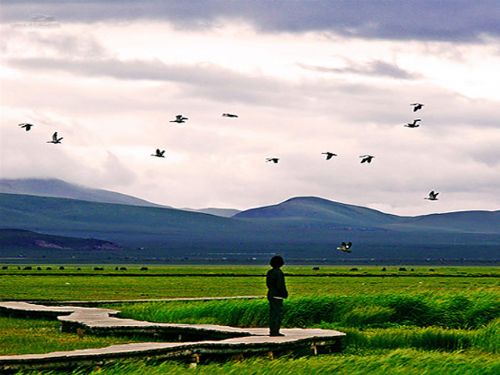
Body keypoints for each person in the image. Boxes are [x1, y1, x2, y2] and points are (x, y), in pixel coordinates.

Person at [266, 255, 288, 336]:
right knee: (277, 314)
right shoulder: (278, 272)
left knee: (272, 313)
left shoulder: (270, 272)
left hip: (271, 294)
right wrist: (284, 293)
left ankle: (272, 330)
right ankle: (275, 331)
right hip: (277, 295)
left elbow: (268, 284)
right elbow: (280, 285)